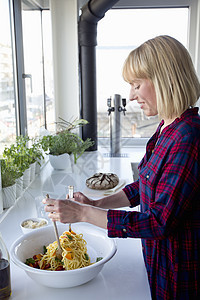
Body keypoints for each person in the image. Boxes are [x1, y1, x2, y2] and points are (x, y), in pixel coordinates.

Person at [43, 35, 200, 300]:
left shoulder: (189, 137)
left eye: (137, 84)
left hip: (180, 273)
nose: (131, 95)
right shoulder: (167, 127)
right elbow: (144, 186)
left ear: (165, 80)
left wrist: (82, 213)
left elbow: (159, 221)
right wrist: (97, 204)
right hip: (158, 261)